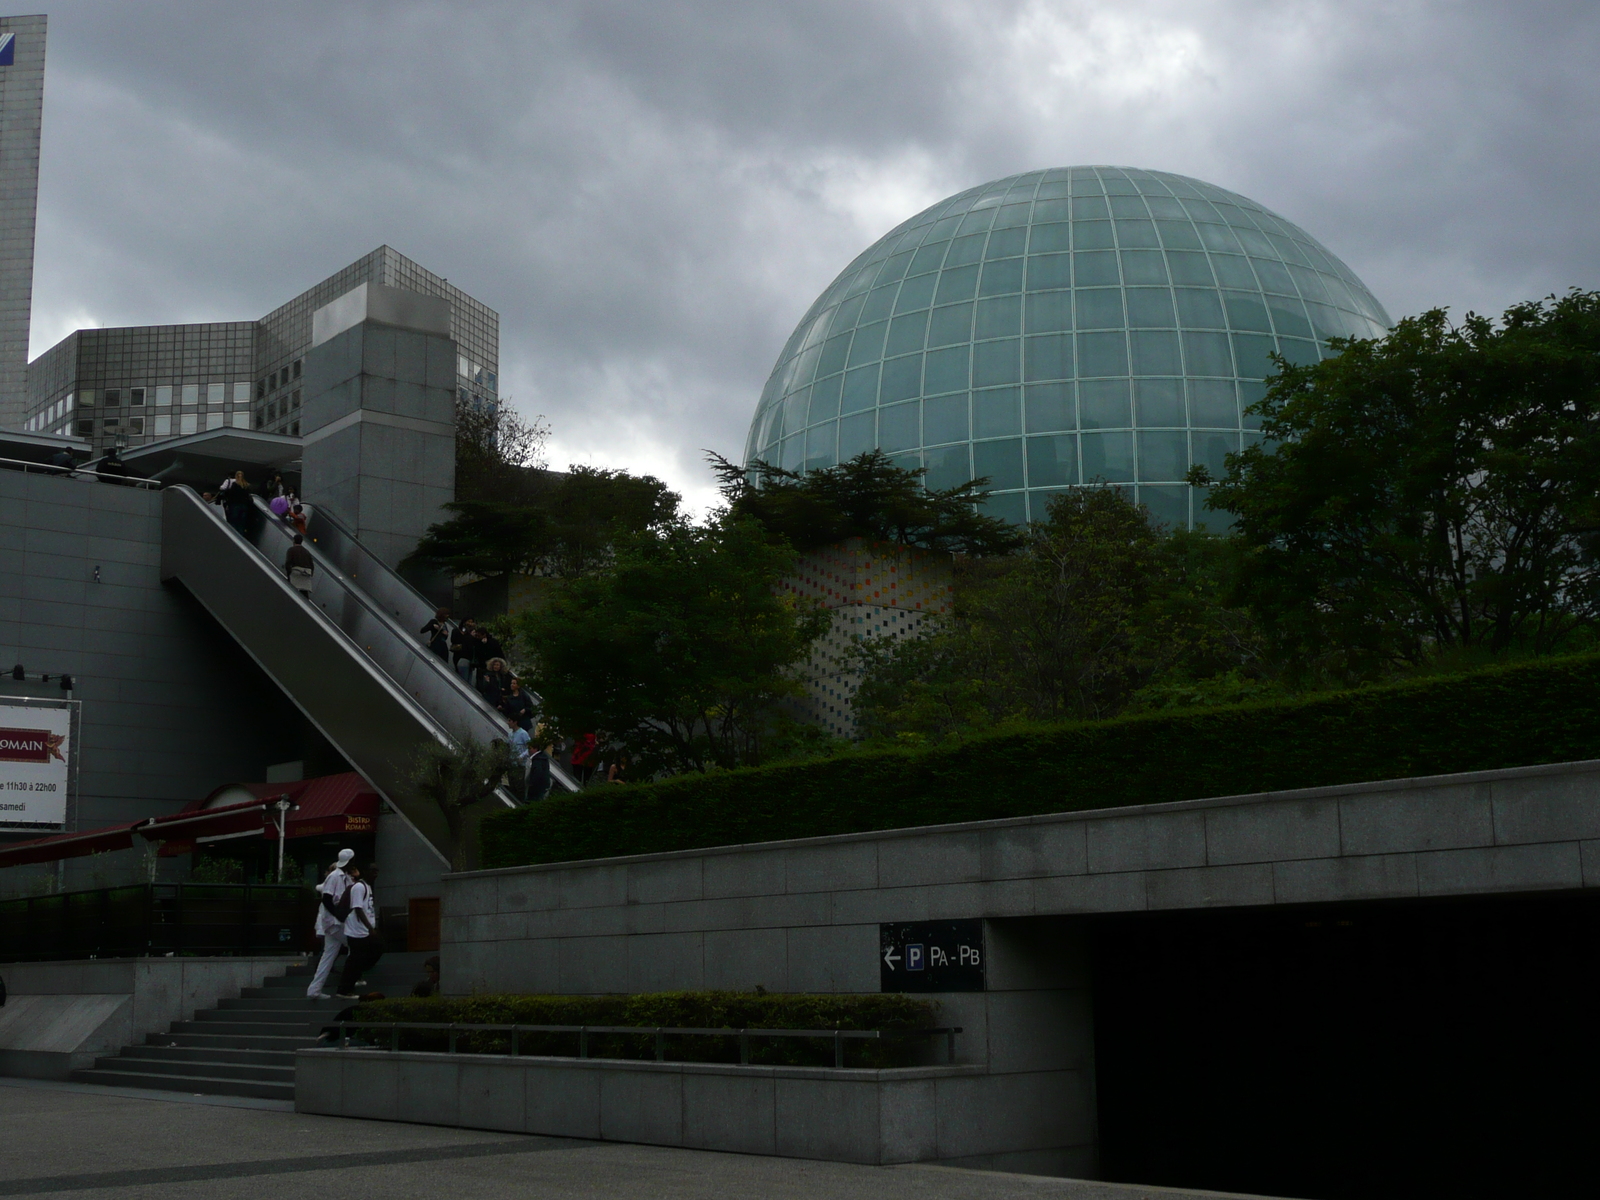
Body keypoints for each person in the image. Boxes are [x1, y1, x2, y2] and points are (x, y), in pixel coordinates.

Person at [306, 849, 355, 999]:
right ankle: (347, 985)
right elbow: (327, 899)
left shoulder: (345, 877)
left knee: (328, 956)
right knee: (356, 946)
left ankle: (314, 990)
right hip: (334, 923)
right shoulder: (335, 877)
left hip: (335, 922)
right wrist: (338, 915)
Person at [336, 863, 383, 998]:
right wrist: (370, 928)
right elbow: (357, 908)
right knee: (354, 960)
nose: (375, 874)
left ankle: (353, 979)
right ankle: (344, 990)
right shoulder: (359, 887)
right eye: (372, 871)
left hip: (364, 930)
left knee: (375, 949)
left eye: (377, 871)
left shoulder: (367, 887)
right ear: (365, 872)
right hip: (357, 931)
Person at [507, 712, 531, 800]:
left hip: (519, 765)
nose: (508, 722)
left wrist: (522, 756)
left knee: (519, 786)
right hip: (511, 764)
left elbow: (530, 747)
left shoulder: (523, 733)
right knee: (512, 785)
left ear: (515, 722)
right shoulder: (510, 734)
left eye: (510, 721)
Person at [450, 618, 478, 683]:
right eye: (469, 621)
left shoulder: (472, 632)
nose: (470, 623)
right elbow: (454, 640)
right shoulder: (457, 631)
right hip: (459, 655)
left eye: (472, 622)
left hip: (467, 657)